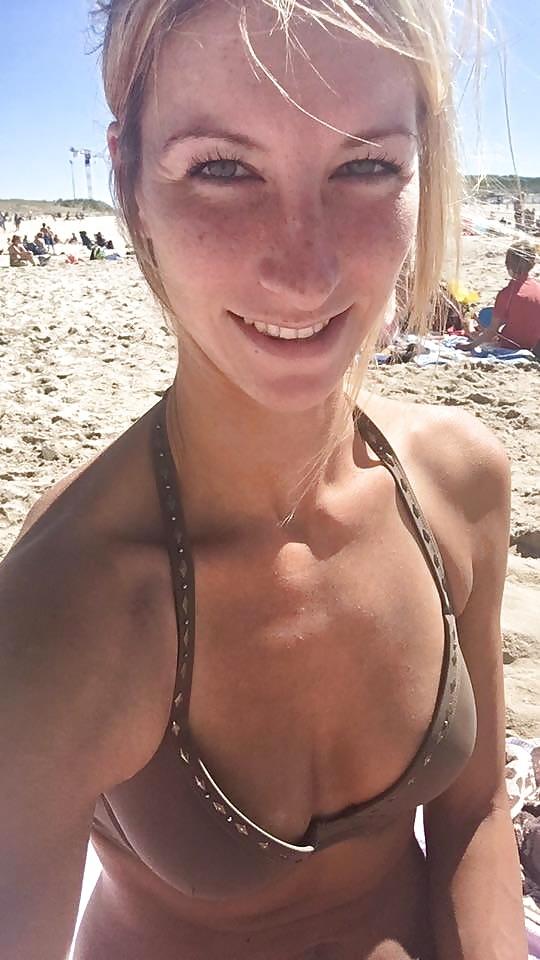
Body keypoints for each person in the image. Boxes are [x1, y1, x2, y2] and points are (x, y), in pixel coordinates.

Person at [0, 2, 528, 960]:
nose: (305, 271)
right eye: (221, 168)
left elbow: (476, 812)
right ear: (129, 183)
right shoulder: (65, 610)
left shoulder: (460, 486)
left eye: (365, 166)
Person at [459, 241, 540, 355]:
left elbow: (491, 332)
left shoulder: (507, 294)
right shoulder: (537, 288)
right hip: (533, 346)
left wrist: (469, 344)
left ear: (508, 265)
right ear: (532, 265)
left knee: (478, 326)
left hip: (509, 347)